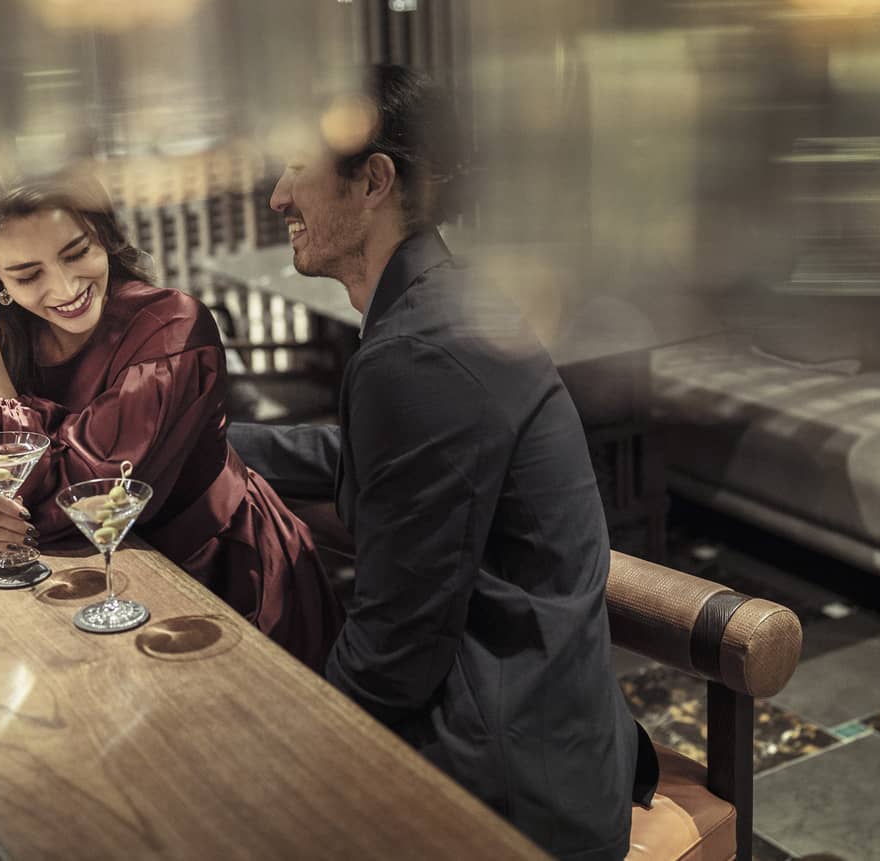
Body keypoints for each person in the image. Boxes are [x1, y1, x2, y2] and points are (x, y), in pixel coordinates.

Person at [229, 65, 657, 859]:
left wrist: (287, 760)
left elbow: (393, 653)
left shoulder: (418, 351)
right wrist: (215, 442)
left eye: (296, 168)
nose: (278, 197)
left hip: (510, 788)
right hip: (543, 731)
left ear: (374, 181)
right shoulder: (436, 303)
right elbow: (386, 462)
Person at [0, 167, 343, 669]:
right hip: (73, 597)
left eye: (77, 253)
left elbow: (74, 507)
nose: (65, 288)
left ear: (103, 235)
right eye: (27, 275)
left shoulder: (171, 329)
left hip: (217, 586)